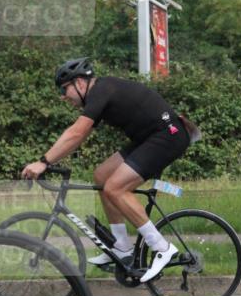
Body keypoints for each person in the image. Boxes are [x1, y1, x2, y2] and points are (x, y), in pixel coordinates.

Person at [21, 57, 195, 282]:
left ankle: (162, 247)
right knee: (102, 176)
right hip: (149, 138)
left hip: (167, 136)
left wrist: (44, 162)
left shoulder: (101, 90)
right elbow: (78, 135)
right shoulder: (101, 92)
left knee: (115, 188)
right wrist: (47, 160)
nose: (63, 97)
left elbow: (76, 133)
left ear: (80, 83)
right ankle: (122, 247)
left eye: (64, 89)